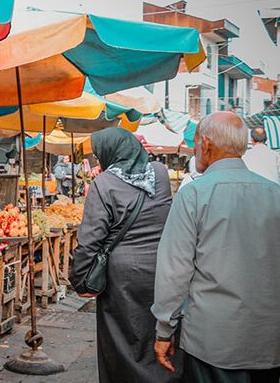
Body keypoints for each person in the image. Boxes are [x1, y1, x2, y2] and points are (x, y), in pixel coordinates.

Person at [152, 112, 280, 383]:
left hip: (212, 341)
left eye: (196, 141)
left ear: (206, 144)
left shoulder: (194, 194)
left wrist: (165, 329)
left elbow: (174, 272)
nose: (195, 148)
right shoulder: (274, 194)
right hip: (268, 339)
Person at [70, 127, 177, 383]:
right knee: (159, 334)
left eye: (98, 155)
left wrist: (80, 279)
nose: (98, 160)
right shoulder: (160, 174)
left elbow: (90, 239)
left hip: (122, 278)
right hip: (162, 269)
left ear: (110, 153)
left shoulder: (104, 183)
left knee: (121, 340)